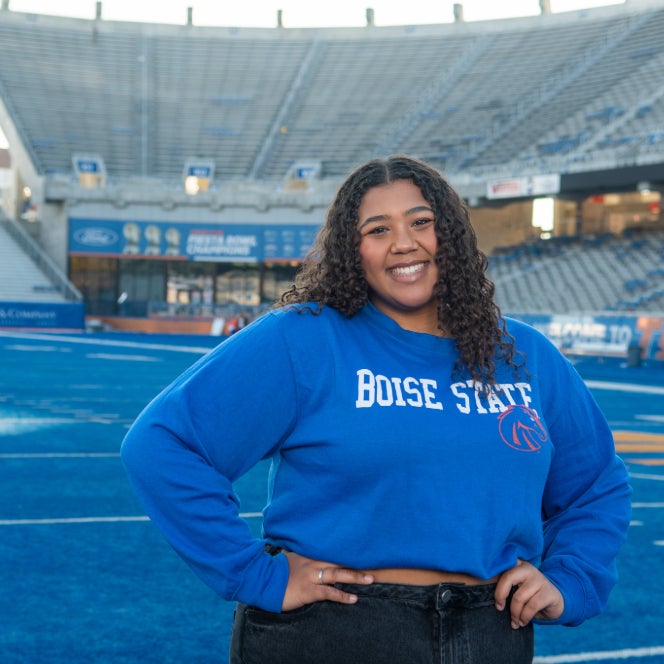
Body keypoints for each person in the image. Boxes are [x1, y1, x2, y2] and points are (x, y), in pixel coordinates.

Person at [121, 155, 631, 663]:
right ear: (353, 249)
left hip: (488, 632)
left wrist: (571, 579)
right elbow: (162, 444)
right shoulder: (304, 338)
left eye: (421, 222)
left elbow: (595, 484)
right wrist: (253, 572)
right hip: (333, 631)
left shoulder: (524, 354)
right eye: (377, 229)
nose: (403, 242)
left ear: (448, 235)